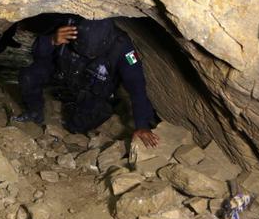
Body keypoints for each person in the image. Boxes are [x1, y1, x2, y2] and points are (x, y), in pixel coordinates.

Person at [12, 17, 160, 148]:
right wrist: (51, 41)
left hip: (93, 90)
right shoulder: (67, 27)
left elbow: (137, 86)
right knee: (29, 75)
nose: (88, 56)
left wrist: (142, 125)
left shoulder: (123, 47)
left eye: (93, 54)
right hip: (63, 75)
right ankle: (34, 112)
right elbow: (38, 55)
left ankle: (74, 115)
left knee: (77, 127)